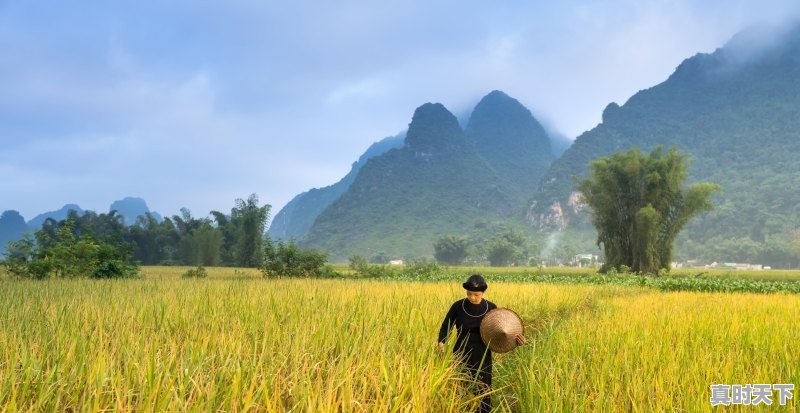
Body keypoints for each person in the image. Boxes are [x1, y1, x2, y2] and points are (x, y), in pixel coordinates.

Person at [437, 274, 526, 413]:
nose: (472, 297)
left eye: (476, 295)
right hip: (461, 349)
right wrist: (442, 341)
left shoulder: (491, 308)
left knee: (483, 384)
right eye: (470, 294)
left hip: (482, 351)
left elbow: (503, 330)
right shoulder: (458, 306)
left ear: (483, 293)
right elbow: (446, 325)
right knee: (461, 383)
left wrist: (517, 340)